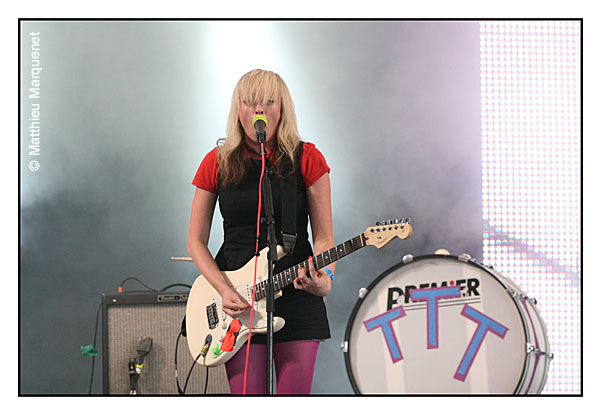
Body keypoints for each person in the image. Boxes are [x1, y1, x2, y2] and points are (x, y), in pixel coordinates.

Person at [187, 69, 335, 395]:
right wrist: (223, 289)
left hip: (297, 295)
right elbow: (195, 241)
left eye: (269, 103)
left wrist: (325, 280)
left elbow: (324, 237)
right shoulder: (216, 162)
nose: (260, 112)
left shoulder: (307, 158)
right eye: (250, 103)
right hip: (238, 300)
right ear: (237, 109)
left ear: (282, 108)